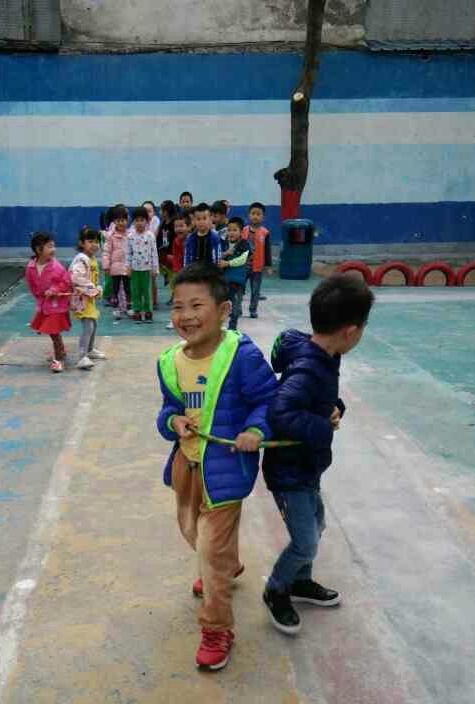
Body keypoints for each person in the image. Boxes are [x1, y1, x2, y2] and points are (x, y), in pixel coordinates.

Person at [157, 263, 277, 671]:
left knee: (209, 552)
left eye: (197, 306)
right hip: (186, 465)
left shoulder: (241, 356)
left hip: (225, 470)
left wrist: (256, 429)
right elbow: (168, 410)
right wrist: (172, 421)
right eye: (178, 307)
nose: (185, 316)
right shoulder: (170, 361)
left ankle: (216, 629)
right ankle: (226, 566)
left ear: (224, 310)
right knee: (190, 529)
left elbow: (268, 401)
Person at [261, 273, 375, 633]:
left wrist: (334, 406)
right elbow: (281, 412)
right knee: (305, 542)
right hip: (289, 473)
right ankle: (276, 588)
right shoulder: (311, 368)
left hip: (306, 467)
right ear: (350, 331)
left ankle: (299, 582)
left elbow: (316, 398)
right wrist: (323, 425)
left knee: (317, 525)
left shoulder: (324, 355)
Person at [25, 231, 72, 373]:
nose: (54, 249)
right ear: (38, 249)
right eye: (50, 246)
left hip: (56, 305)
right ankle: (61, 351)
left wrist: (54, 290)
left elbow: (66, 282)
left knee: (54, 331)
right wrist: (39, 296)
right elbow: (31, 284)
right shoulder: (31, 267)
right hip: (44, 305)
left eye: (54, 246)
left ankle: (59, 359)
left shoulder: (56, 267)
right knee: (53, 333)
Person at [69, 226, 106, 369]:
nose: (94, 244)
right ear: (81, 243)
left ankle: (90, 350)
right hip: (81, 299)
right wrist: (93, 289)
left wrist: (96, 288)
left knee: (93, 324)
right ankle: (82, 356)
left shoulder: (91, 258)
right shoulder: (81, 259)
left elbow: (92, 277)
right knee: (88, 326)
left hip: (89, 298)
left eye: (96, 241)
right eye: (90, 241)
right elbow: (76, 278)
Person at [218, 216, 251, 331]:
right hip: (224, 281)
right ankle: (218, 326)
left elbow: (242, 259)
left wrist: (228, 263)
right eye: (229, 230)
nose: (231, 232)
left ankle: (232, 328)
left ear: (241, 232)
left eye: (234, 230)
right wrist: (225, 253)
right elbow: (217, 256)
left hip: (238, 282)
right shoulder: (223, 244)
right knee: (221, 305)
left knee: (235, 306)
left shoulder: (244, 244)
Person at [127, 206, 159, 322]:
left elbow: (154, 253)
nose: (139, 223)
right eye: (137, 220)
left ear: (147, 221)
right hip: (135, 270)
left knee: (147, 291)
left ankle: (148, 311)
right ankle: (137, 311)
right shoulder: (130, 237)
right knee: (135, 291)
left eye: (142, 220)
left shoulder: (150, 236)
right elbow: (128, 253)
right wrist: (128, 267)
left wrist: (155, 268)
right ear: (133, 222)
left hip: (147, 270)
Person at [243, 202, 273, 318]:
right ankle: (237, 308)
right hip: (243, 266)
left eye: (258, 214)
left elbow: (267, 251)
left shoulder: (265, 233)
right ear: (249, 215)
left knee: (255, 290)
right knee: (239, 288)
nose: (255, 216)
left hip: (257, 268)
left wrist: (268, 266)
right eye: (253, 213)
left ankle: (253, 310)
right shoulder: (243, 231)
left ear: (263, 217)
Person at [102, 205, 131, 320]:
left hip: (127, 268)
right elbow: (106, 252)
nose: (121, 223)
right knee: (115, 290)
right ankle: (116, 309)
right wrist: (106, 266)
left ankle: (129, 308)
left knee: (128, 289)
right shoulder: (111, 236)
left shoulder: (131, 235)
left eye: (123, 220)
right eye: (118, 221)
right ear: (114, 222)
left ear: (127, 221)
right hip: (115, 269)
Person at [165, 210, 191, 329]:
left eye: (181, 226)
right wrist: (177, 272)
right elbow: (175, 258)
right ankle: (176, 320)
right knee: (179, 298)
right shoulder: (176, 241)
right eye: (176, 226)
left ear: (189, 227)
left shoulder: (192, 240)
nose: (178, 229)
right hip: (180, 273)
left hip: (191, 273)